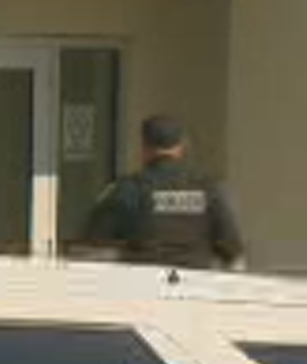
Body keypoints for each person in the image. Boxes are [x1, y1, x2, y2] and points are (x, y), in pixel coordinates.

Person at [81, 115, 246, 271]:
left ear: (145, 147)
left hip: (142, 290)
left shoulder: (128, 188)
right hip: (193, 291)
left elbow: (89, 248)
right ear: (181, 146)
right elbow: (234, 255)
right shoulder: (207, 189)